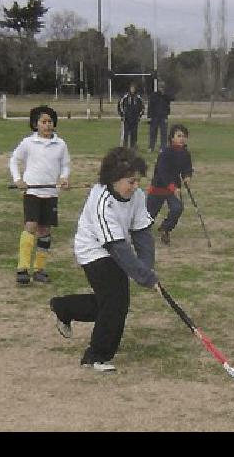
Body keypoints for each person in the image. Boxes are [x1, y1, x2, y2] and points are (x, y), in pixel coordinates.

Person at [48, 147, 158, 373]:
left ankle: (65, 307)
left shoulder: (137, 196)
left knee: (109, 302)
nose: (136, 186)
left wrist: (146, 267)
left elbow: (142, 233)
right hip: (94, 250)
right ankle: (96, 355)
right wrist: (142, 276)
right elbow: (116, 247)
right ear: (113, 179)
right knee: (117, 300)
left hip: (116, 247)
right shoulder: (102, 201)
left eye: (138, 181)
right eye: (130, 181)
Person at [9, 105, 71, 285]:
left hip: (51, 193)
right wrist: (18, 179)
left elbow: (66, 165)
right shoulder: (28, 143)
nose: (47, 125)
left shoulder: (60, 144)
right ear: (35, 124)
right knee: (31, 225)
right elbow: (14, 159)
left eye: (50, 121)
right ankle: (23, 268)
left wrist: (64, 178)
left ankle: (39, 269)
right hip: (32, 191)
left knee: (45, 230)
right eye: (43, 122)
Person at [146, 124, 193, 245]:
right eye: (179, 136)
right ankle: (138, 232)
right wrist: (172, 187)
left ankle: (165, 229)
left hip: (174, 188)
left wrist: (187, 176)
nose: (182, 139)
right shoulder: (165, 153)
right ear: (172, 138)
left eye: (184, 136)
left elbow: (187, 167)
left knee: (177, 208)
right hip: (159, 186)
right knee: (149, 215)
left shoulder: (185, 154)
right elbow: (162, 172)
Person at [147, 82, 173, 152]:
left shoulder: (166, 96)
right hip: (154, 117)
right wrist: (149, 116)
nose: (161, 89)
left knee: (164, 133)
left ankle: (163, 147)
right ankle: (151, 147)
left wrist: (167, 116)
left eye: (163, 87)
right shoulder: (153, 95)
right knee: (153, 133)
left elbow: (168, 106)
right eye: (160, 87)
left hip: (163, 117)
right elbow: (150, 106)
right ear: (158, 88)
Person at [118, 83, 145, 149]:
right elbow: (120, 105)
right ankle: (124, 147)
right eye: (131, 88)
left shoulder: (138, 98)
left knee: (134, 134)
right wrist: (122, 115)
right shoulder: (125, 97)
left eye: (133, 88)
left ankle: (133, 147)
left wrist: (139, 116)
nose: (132, 90)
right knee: (125, 134)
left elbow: (142, 107)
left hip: (135, 119)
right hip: (126, 119)